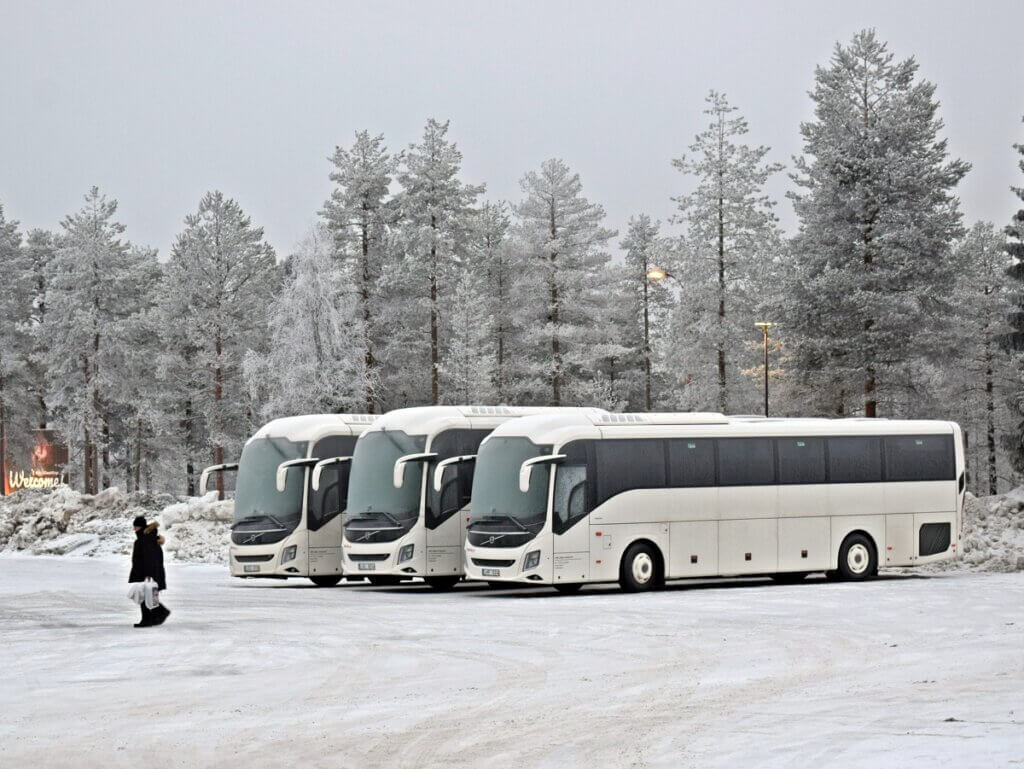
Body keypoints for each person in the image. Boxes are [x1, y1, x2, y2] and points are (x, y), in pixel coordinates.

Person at [129, 515, 170, 628]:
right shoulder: (149, 538)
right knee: (149, 596)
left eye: (136, 527)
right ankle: (155, 616)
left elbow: (149, 560)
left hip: (147, 573)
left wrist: (148, 576)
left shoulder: (145, 540)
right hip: (149, 573)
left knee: (145, 596)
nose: (134, 529)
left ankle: (149, 618)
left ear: (141, 527)